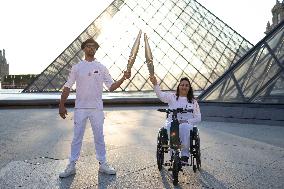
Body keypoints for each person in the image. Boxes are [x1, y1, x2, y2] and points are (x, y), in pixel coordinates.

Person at [58, 38, 131, 178]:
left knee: (99, 137)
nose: (91, 48)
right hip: (80, 108)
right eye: (88, 46)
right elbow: (67, 86)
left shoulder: (101, 67)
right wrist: (61, 104)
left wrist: (123, 78)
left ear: (96, 49)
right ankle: (71, 165)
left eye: (93, 46)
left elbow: (111, 87)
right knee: (77, 138)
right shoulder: (77, 67)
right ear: (84, 49)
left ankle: (103, 164)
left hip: (97, 108)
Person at [150, 76, 201, 163]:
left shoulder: (193, 102)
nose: (184, 87)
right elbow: (161, 95)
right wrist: (155, 84)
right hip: (171, 121)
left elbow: (198, 117)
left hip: (186, 123)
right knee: (171, 127)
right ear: (178, 86)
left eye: (186, 85)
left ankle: (185, 155)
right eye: (182, 85)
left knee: (185, 127)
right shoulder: (172, 97)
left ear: (189, 88)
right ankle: (173, 153)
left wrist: (187, 121)